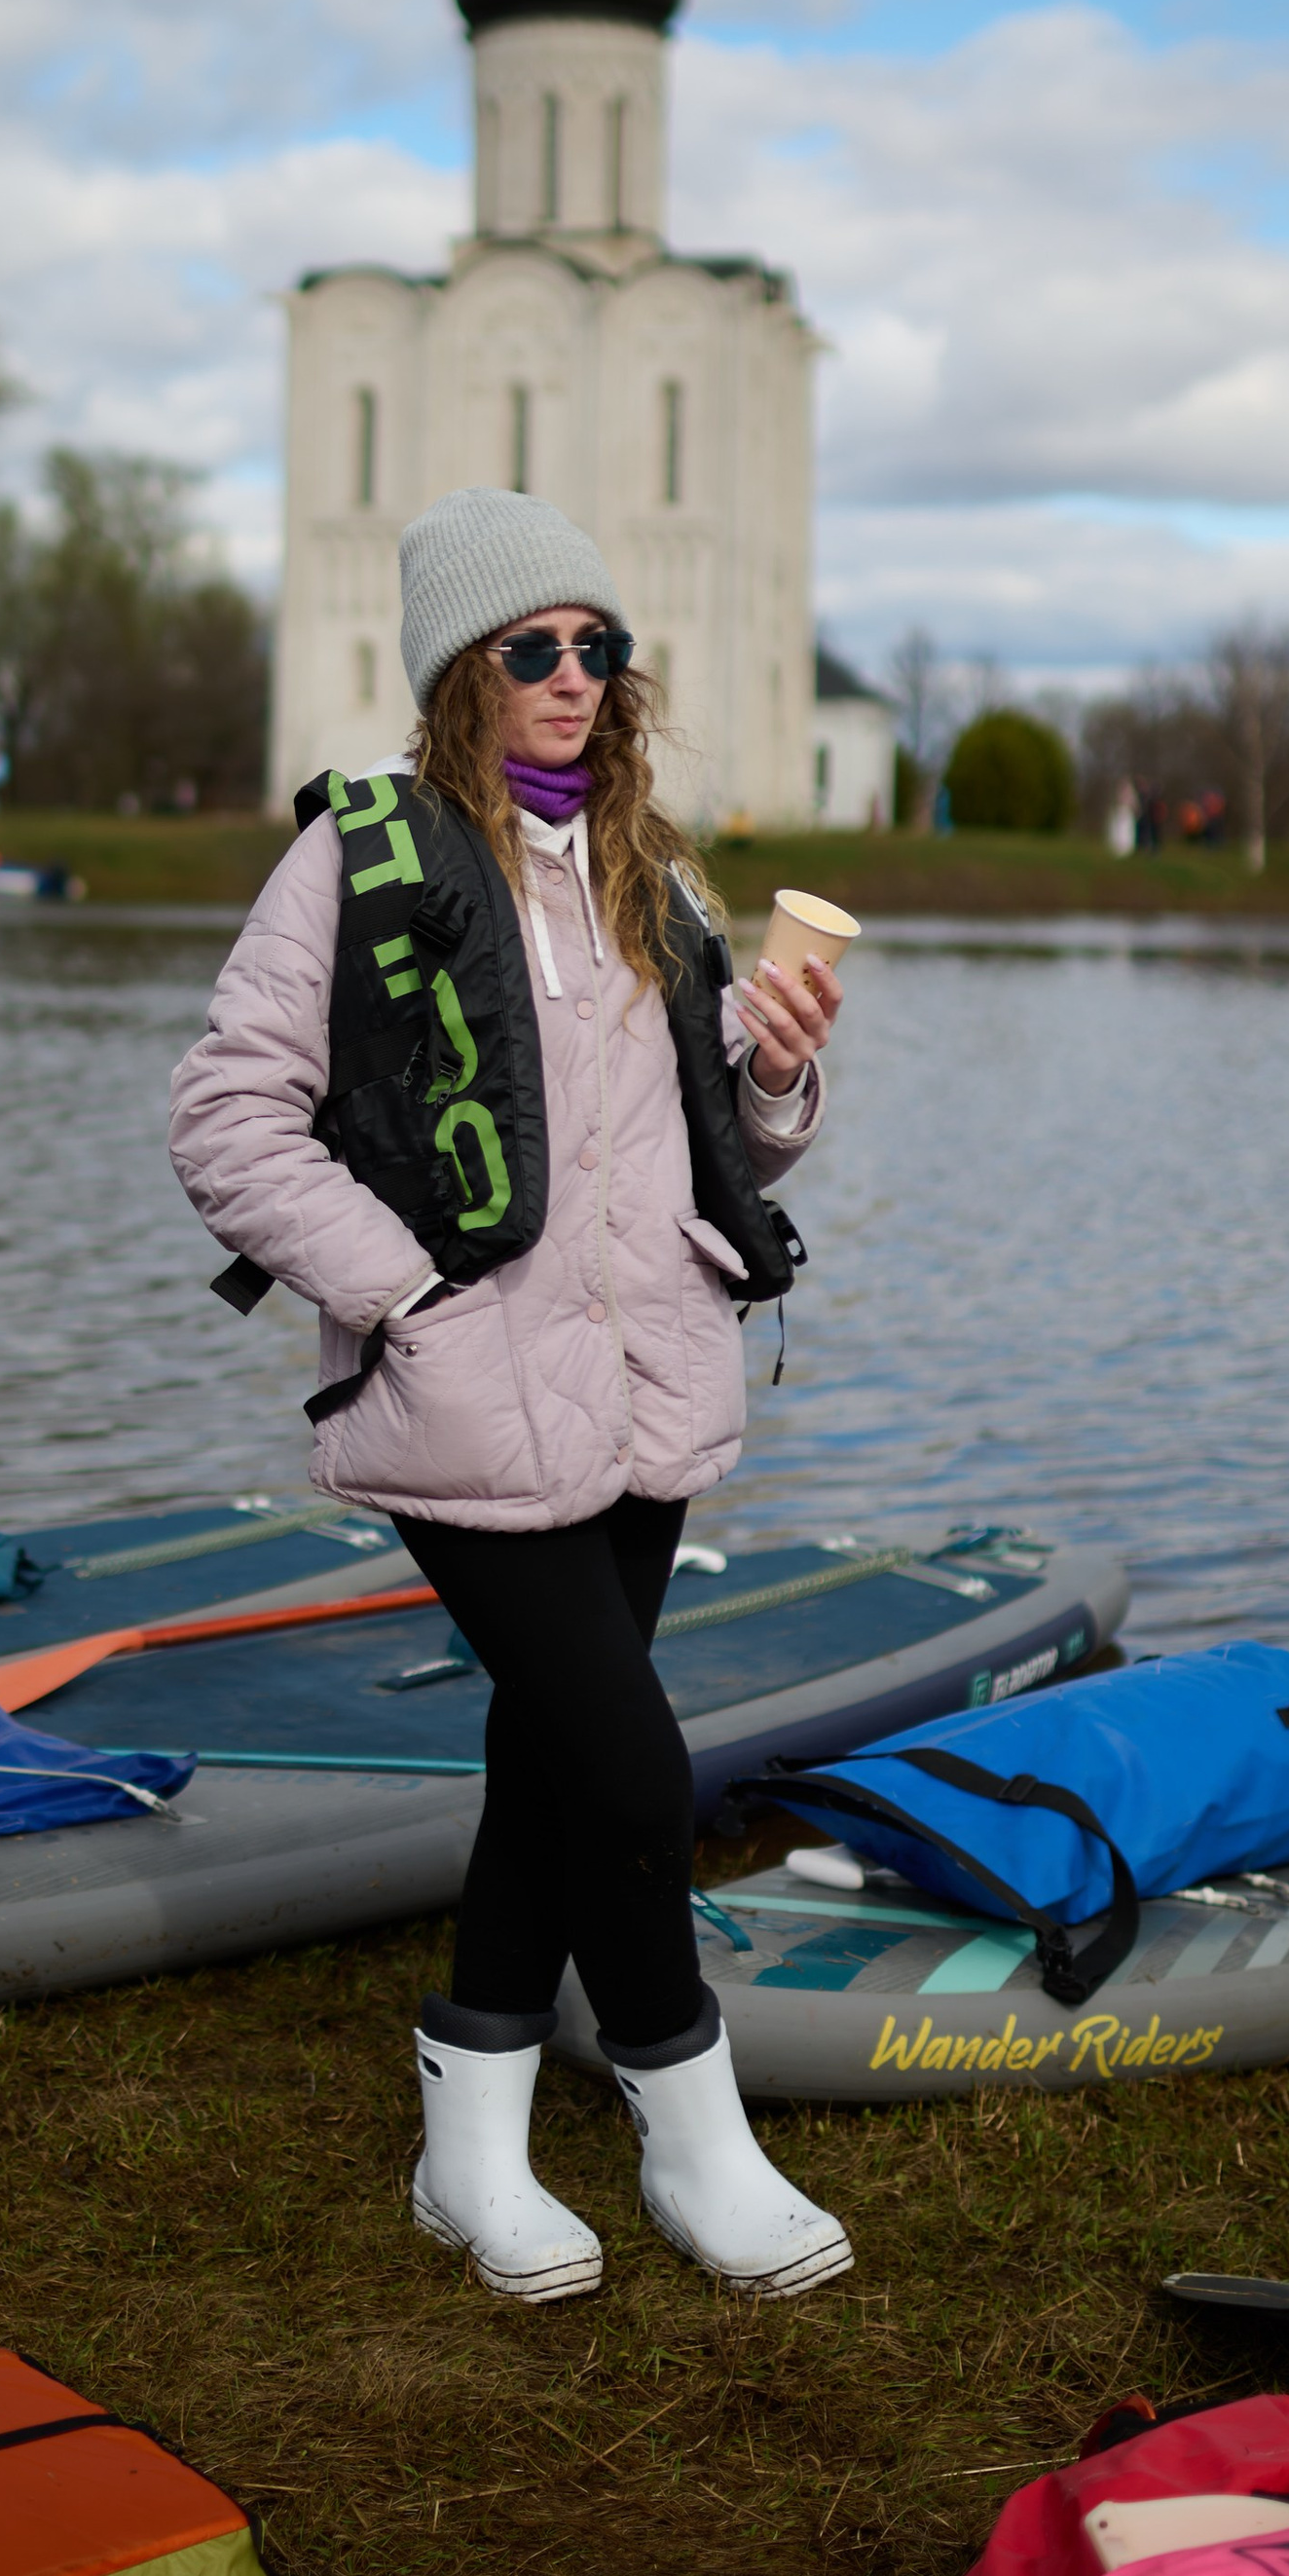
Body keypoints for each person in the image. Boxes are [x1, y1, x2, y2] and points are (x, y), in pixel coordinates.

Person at [169, 487, 850, 2307]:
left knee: (552, 1758)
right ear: (459, 670)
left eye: (597, 647)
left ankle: (466, 2152)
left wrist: (779, 1075)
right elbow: (226, 1122)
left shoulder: (652, 873)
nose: (572, 677)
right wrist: (408, 1298)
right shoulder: (361, 857)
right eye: (532, 648)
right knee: (632, 1762)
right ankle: (690, 2128)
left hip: (644, 1390)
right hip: (467, 1403)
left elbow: (727, 1142)